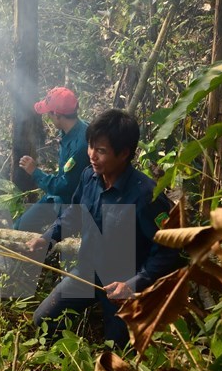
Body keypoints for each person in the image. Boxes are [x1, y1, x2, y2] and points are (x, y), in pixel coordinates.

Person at [26, 109, 181, 348]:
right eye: (90, 146)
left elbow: (168, 251)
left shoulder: (145, 196)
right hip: (86, 274)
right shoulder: (89, 177)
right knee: (43, 319)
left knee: (118, 350)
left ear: (124, 154)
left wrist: (133, 284)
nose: (91, 155)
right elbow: (75, 213)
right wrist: (48, 238)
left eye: (101, 151)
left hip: (123, 286)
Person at [14, 86, 89, 234]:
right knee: (20, 226)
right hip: (57, 197)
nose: (47, 116)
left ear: (57, 115)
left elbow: (64, 186)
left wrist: (34, 172)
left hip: (72, 205)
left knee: (37, 236)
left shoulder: (80, 146)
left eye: (49, 113)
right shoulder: (69, 131)